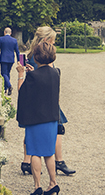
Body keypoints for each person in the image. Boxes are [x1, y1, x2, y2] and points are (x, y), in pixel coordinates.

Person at [20, 26, 75, 176]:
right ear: (46, 40)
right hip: (45, 98)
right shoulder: (43, 56)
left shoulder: (32, 54)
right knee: (56, 128)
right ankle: (59, 161)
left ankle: (27, 161)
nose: (54, 45)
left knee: (32, 129)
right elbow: (48, 77)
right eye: (52, 41)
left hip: (35, 97)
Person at [16, 41, 60, 195]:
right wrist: (32, 73)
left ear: (36, 56)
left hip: (36, 119)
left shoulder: (32, 76)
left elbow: (22, 92)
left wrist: (21, 75)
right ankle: (53, 183)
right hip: (52, 119)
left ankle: (37, 186)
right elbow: (44, 83)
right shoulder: (56, 73)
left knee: (34, 152)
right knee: (49, 153)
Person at [0, 27, 20, 95]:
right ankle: (5, 89)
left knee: (4, 73)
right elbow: (17, 51)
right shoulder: (14, 40)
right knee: (7, 73)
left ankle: (9, 86)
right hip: (11, 59)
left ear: (4, 32)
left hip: (3, 59)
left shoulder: (1, 39)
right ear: (10, 33)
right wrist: (19, 60)